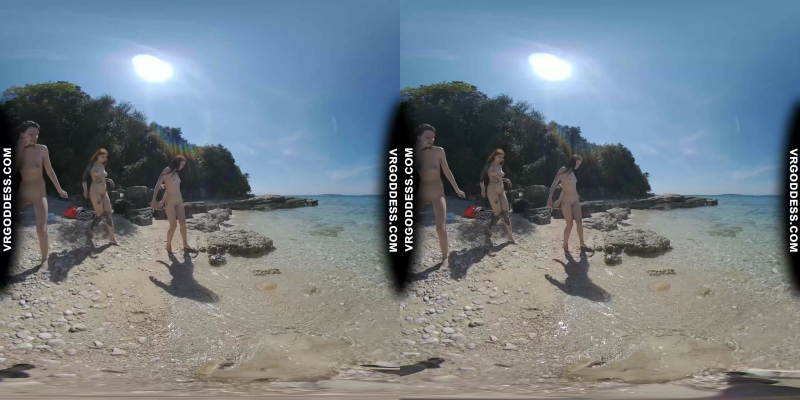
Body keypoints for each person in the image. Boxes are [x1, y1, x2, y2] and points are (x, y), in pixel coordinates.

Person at [13, 121, 68, 272]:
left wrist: (59, 189)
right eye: (30, 134)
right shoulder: (14, 151)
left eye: (36, 134)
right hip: (22, 194)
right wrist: (19, 149)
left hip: (39, 193)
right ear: (22, 134)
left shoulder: (42, 149)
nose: (34, 137)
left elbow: (49, 170)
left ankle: (44, 260)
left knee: (41, 230)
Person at [414, 124, 466, 270]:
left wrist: (457, 189)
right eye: (427, 137)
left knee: (441, 228)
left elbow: (447, 171)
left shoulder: (439, 151)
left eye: (433, 137)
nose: (431, 140)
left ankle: (444, 258)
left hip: (438, 194)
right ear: (419, 138)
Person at [546, 155, 591, 252]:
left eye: (579, 164)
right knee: (569, 224)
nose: (578, 166)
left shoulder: (574, 172)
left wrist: (558, 199)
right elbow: (554, 183)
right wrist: (550, 197)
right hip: (566, 201)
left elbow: (564, 187)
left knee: (579, 222)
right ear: (572, 162)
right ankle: (565, 244)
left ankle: (582, 244)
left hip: (575, 200)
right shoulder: (563, 170)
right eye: (577, 163)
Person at [150, 155, 194, 253]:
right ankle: (168, 246)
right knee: (173, 225)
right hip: (170, 202)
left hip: (179, 200)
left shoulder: (177, 174)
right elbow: (158, 184)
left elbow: (168, 189)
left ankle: (185, 244)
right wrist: (154, 199)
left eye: (183, 165)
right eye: (181, 164)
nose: (182, 166)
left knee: (183, 223)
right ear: (177, 162)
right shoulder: (167, 170)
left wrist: (161, 200)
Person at [479, 149, 517, 244]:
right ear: (494, 156)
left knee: (506, 213)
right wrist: (483, 190)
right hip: (493, 191)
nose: (501, 159)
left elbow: (497, 177)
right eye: (499, 157)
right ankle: (489, 229)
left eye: (502, 157)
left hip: (501, 191)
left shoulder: (500, 165)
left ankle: (510, 236)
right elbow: (481, 178)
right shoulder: (488, 165)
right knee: (498, 214)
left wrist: (505, 179)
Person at [82, 149, 118, 245]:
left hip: (104, 192)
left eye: (106, 157)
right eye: (103, 157)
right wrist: (85, 190)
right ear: (97, 156)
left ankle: (112, 237)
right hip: (95, 192)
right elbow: (84, 178)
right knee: (100, 214)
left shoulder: (103, 165)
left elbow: (100, 177)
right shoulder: (91, 165)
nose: (104, 159)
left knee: (109, 213)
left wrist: (108, 179)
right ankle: (91, 230)